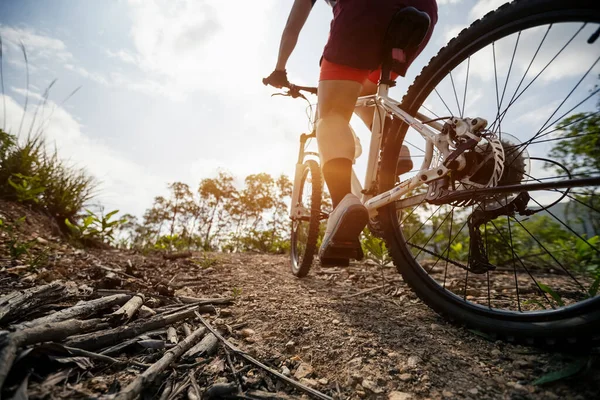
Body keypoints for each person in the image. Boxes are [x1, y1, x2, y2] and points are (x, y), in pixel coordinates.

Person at [264, 0, 438, 263]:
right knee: (366, 93)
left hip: (366, 12)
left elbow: (292, 26)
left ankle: (343, 204)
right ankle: (394, 150)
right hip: (422, 12)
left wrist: (279, 69)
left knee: (332, 114)